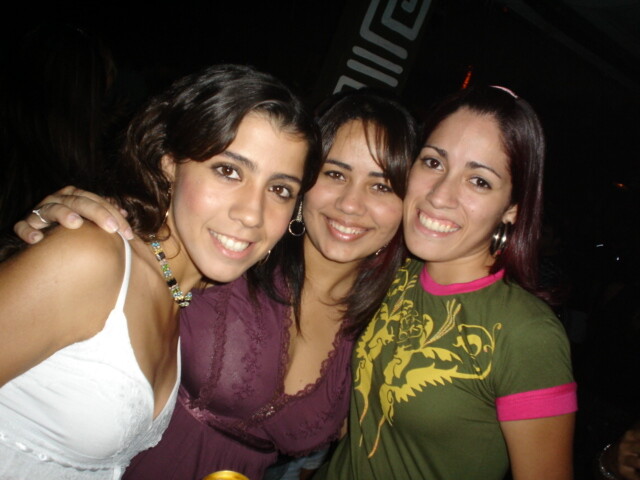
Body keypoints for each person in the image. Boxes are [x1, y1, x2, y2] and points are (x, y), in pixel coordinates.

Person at [11, 90, 419, 479]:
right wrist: (70, 224)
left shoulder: (384, 328)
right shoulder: (226, 259)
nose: (350, 204)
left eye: (382, 185)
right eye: (335, 173)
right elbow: (138, 249)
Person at [316, 85, 577, 480]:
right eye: (433, 162)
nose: (440, 195)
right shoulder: (390, 276)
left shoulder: (526, 334)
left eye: (479, 181)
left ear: (512, 208)